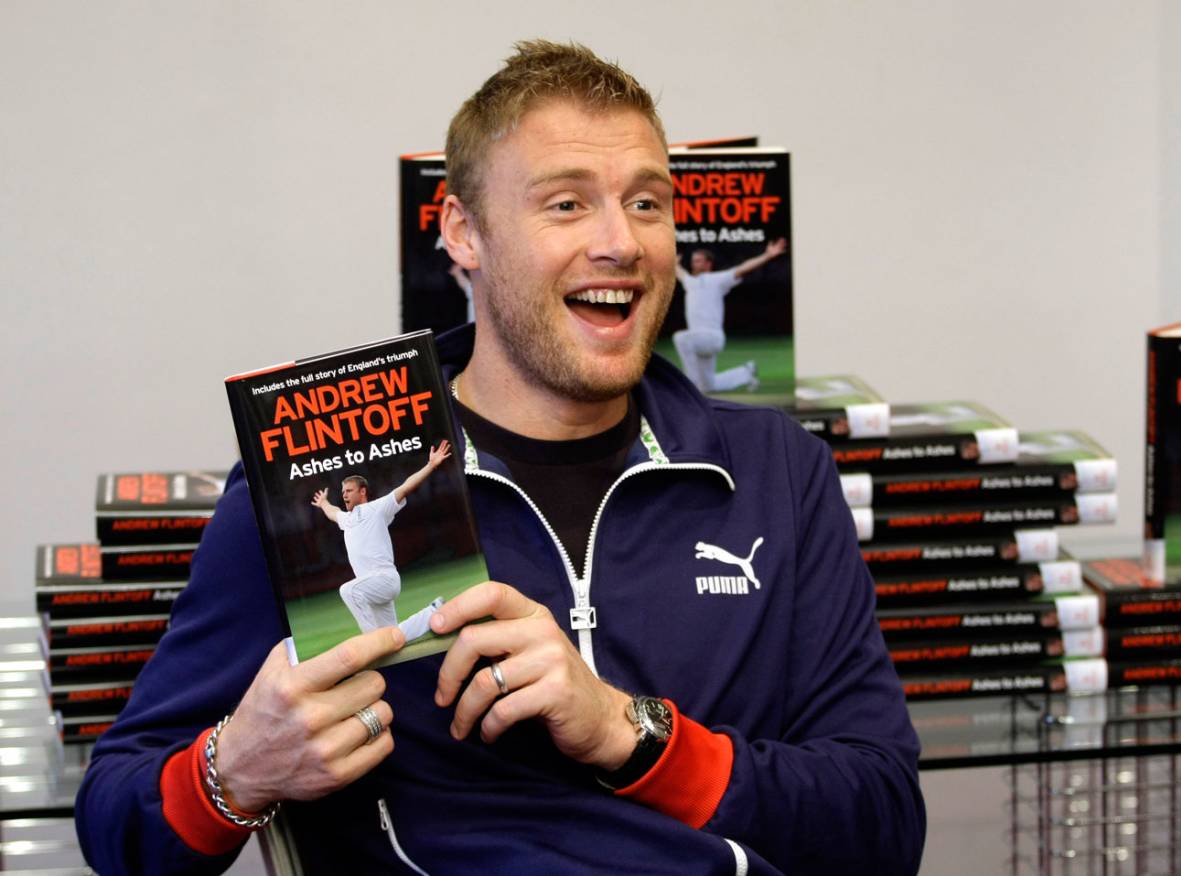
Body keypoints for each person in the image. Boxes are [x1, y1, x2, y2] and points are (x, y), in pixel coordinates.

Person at [76, 40, 925, 875]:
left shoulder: (777, 471)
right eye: (565, 204)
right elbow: (120, 827)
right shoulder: (308, 477)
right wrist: (237, 769)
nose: (621, 243)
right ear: (462, 233)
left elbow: (882, 829)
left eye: (647, 203)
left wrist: (629, 733)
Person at [309, 440, 452, 640]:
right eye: (342, 492)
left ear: (362, 492)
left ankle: (371, 643)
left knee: (348, 591)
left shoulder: (378, 508)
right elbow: (333, 512)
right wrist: (324, 502)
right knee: (393, 636)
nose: (344, 495)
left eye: (348, 490)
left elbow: (406, 487)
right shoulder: (346, 518)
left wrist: (430, 465)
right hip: (371, 587)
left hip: (384, 580)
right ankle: (434, 611)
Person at [672, 239, 786, 392]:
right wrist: (674, 262)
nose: (694, 263)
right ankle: (746, 372)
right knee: (707, 387)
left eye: (698, 261)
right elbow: (677, 270)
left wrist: (767, 255)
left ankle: (689, 387)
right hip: (698, 340)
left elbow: (743, 268)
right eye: (693, 261)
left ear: (708, 264)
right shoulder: (690, 282)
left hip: (711, 337)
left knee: (681, 338)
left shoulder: (717, 280)